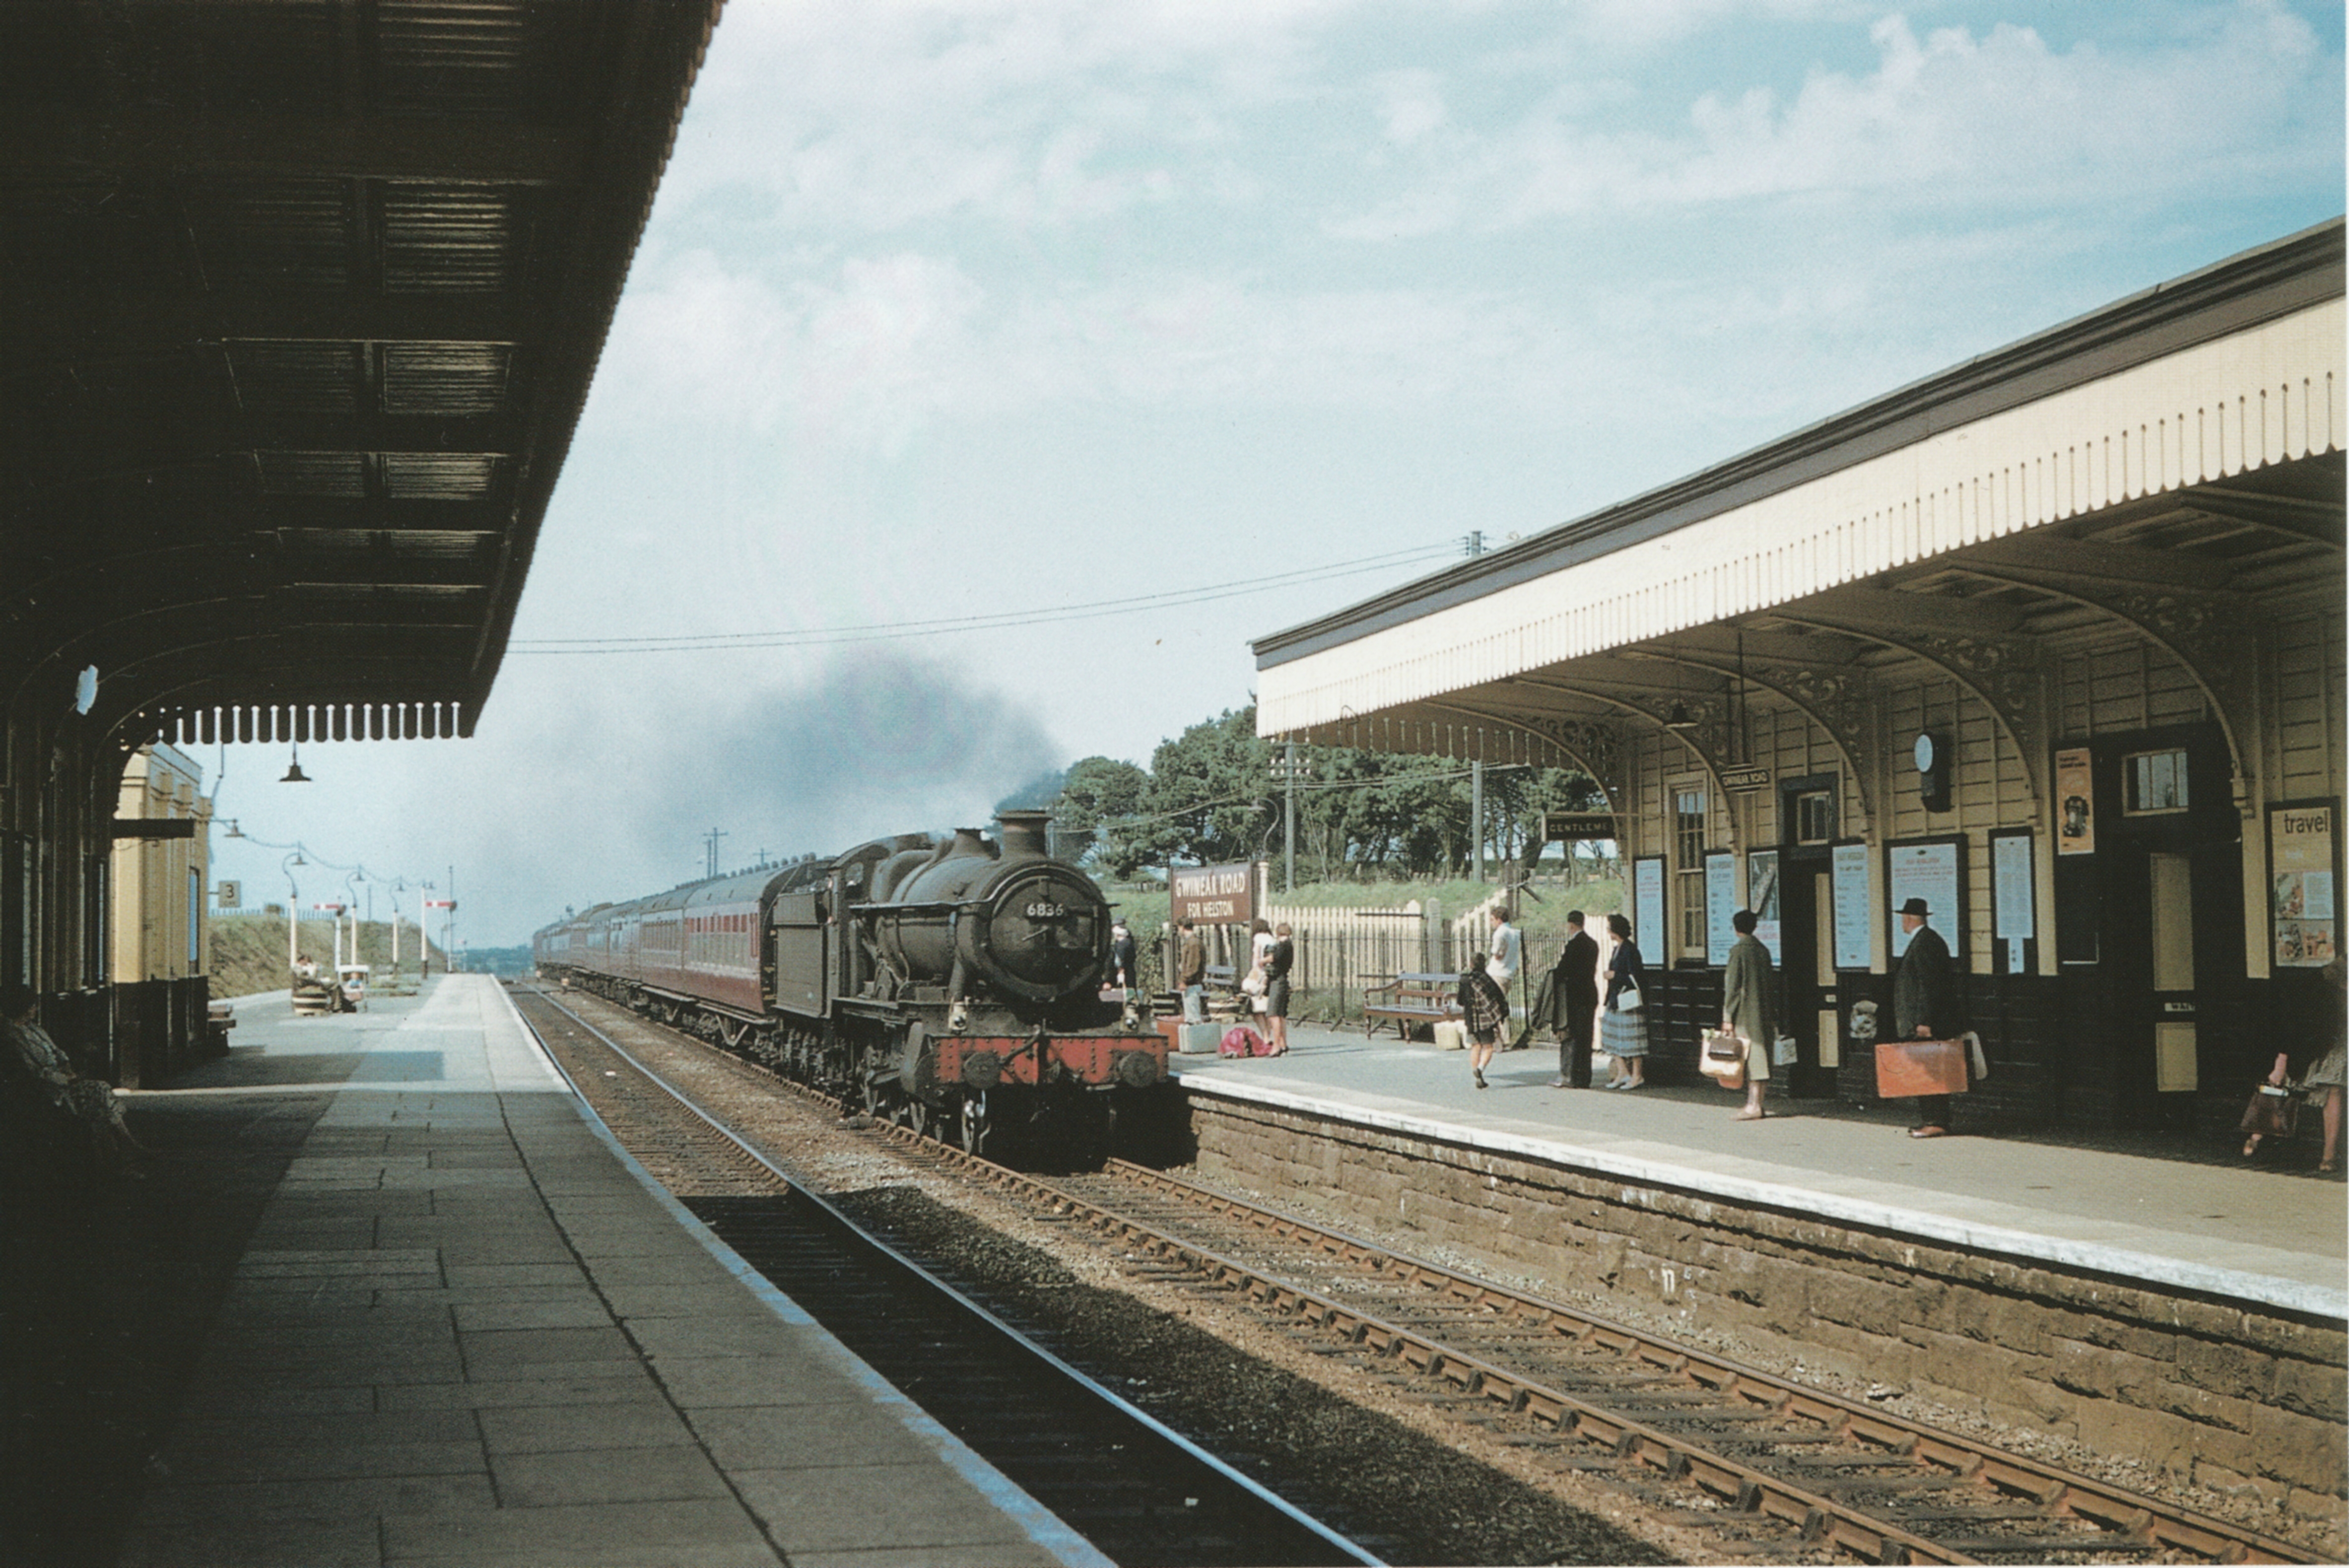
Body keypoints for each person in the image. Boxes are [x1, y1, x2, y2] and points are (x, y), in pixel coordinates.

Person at [2, 983, 145, 1181]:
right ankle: (125, 1151)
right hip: (47, 1090)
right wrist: (65, 1079)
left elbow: (56, 1051)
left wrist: (67, 1066)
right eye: (33, 1005)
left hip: (62, 1081)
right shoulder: (11, 1037)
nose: (36, 1009)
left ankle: (121, 1156)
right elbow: (32, 1072)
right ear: (24, 1007)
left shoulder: (33, 1029)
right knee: (98, 1096)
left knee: (98, 1099)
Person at [2245, 957, 2345, 1172]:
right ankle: (2327, 1157)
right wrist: (2283, 1059)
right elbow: (2296, 1024)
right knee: (2326, 1091)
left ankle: (2257, 1136)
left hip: (2329, 1044)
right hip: (2326, 1044)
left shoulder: (2315, 984)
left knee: (2291, 1084)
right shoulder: (2317, 990)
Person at [1892, 896, 1960, 1137]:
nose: (1902, 922)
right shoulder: (1926, 941)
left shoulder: (1925, 943)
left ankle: (1936, 1121)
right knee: (1925, 1070)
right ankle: (1931, 1120)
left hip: (1925, 1024)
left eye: (1903, 917)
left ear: (1909, 918)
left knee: (1929, 1071)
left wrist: (1924, 1021)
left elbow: (1930, 985)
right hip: (1923, 1021)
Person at [1721, 908, 1776, 1122]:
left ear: (1736, 928)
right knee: (1761, 1058)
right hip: (1764, 1009)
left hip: (1745, 1012)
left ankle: (1753, 1106)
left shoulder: (1738, 951)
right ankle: (1758, 1103)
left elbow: (1732, 986)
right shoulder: (1763, 950)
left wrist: (1727, 1017)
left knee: (1751, 1057)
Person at [1547, 911, 1601, 1088]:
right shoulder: (1593, 945)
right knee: (1587, 1036)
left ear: (1571, 925)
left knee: (1570, 1036)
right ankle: (1584, 1077)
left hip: (1574, 996)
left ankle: (1568, 1075)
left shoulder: (1573, 946)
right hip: (1589, 994)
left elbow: (1563, 971)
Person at [1599, 913, 1648, 1089]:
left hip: (1628, 1000)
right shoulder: (1617, 949)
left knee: (1633, 1040)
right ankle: (1623, 1072)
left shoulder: (1630, 950)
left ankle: (1637, 1075)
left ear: (1615, 930)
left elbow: (1637, 976)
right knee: (1611, 1037)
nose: (1607, 931)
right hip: (1615, 999)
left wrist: (1615, 975)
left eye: (1609, 928)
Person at [1458, 953, 1509, 1090]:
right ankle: (1480, 1069)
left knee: (1476, 1046)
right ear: (1484, 964)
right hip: (1486, 1020)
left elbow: (1460, 1001)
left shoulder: (1465, 980)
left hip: (1471, 1020)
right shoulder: (1487, 979)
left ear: (1471, 965)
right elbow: (1498, 997)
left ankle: (1476, 1074)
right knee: (1488, 1047)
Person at [1262, 922, 1295, 1056]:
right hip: (1281, 980)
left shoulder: (1284, 946)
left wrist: (1263, 961)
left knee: (1273, 1014)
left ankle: (1276, 1045)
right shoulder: (1288, 945)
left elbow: (1275, 957)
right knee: (1281, 1014)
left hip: (1278, 981)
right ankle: (1283, 1044)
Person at [1176, 919, 1207, 1025]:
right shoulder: (1191, 942)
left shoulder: (1193, 943)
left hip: (1192, 985)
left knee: (1194, 1019)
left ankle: (1198, 1040)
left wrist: (1184, 980)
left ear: (1182, 927)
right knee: (1190, 1019)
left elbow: (1193, 966)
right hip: (1190, 985)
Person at [1108, 918, 1138, 995]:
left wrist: (1121, 972)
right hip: (1129, 972)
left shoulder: (1122, 945)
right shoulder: (1129, 942)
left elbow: (1120, 960)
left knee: (1127, 993)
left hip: (1125, 973)